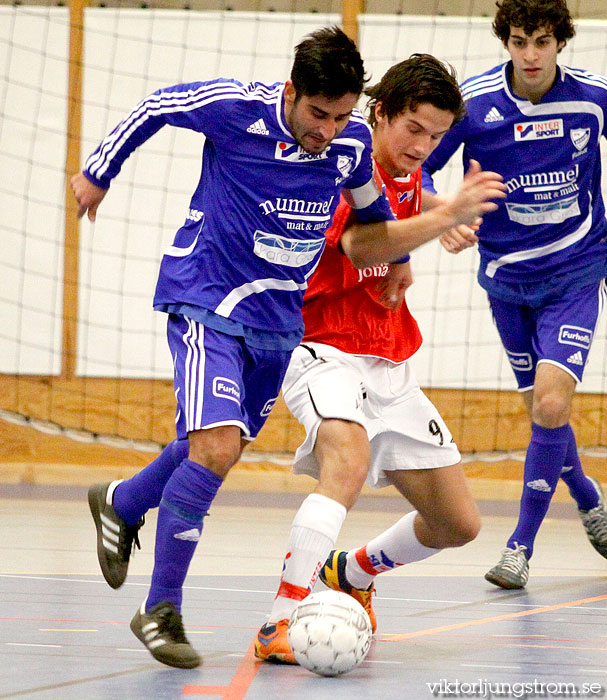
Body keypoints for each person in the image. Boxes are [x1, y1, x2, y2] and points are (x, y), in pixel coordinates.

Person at [72, 28, 504, 669]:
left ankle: (125, 500)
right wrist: (97, 173)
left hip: (280, 324)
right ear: (292, 91)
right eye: (317, 114)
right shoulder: (238, 111)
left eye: (340, 116)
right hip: (209, 296)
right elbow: (158, 104)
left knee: (221, 448)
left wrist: (401, 260)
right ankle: (165, 608)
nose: (326, 130)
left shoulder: (352, 145)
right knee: (219, 450)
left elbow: (372, 220)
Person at [253, 54, 489, 665]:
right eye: (414, 129)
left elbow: (407, 193)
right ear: (379, 115)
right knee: (348, 462)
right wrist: (446, 218)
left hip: (388, 357)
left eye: (437, 136)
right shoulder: (341, 160)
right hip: (321, 346)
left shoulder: (406, 167)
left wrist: (436, 214)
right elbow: (362, 244)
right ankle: (280, 617)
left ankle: (351, 572)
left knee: (458, 523)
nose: (423, 145)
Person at [422, 0, 607, 591]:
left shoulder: (592, 99)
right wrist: (443, 214)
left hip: (577, 270)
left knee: (552, 405)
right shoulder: (472, 105)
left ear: (561, 43)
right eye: (521, 41)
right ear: (506, 40)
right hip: (506, 279)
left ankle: (519, 548)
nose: (531, 54)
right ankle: (589, 498)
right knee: (541, 413)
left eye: (543, 42)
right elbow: (415, 171)